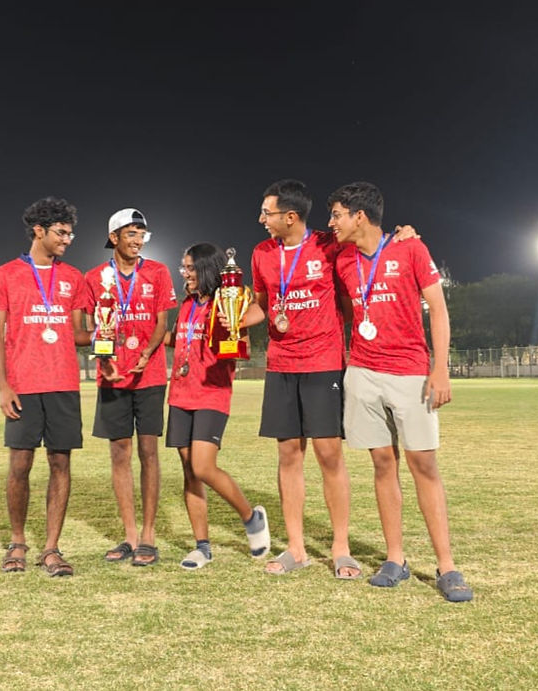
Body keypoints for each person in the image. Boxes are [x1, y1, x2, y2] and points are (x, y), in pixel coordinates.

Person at [328, 181, 472, 602]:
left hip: (410, 372)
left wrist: (440, 369)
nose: (331, 222)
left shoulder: (411, 249)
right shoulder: (342, 259)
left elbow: (439, 311)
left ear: (359, 216)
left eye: (337, 214)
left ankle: (446, 565)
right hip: (363, 372)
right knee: (382, 463)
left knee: (423, 464)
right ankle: (396, 558)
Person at [238, 179, 361, 578]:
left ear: (290, 216)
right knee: (288, 454)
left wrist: (404, 235)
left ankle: (340, 547)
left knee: (329, 453)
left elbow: (348, 297)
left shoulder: (328, 245)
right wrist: (234, 323)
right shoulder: (262, 253)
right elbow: (262, 307)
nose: (261, 219)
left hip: (323, 362)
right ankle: (296, 548)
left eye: (267, 212)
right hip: (281, 364)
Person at [0, 196, 92, 577]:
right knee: (20, 465)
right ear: (39, 231)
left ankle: (51, 548)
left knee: (60, 463)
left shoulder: (73, 278)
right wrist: (2, 385)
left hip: (63, 383)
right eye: (61, 233)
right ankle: (17, 542)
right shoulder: (6, 275)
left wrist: (104, 334)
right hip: (24, 384)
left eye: (70, 233)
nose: (68, 239)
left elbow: (78, 334)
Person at [165, 243, 270, 569]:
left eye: (191, 269)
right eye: (184, 268)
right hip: (180, 393)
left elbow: (258, 312)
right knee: (188, 469)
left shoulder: (225, 302)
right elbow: (180, 340)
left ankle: (251, 518)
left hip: (212, 392)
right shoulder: (187, 305)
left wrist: (236, 317)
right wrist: (146, 337)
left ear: (208, 269)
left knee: (203, 467)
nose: (185, 274)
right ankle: (202, 546)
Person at [85, 208, 176, 567]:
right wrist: (102, 355)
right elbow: (94, 326)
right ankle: (130, 535)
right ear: (113, 238)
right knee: (119, 455)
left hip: (150, 375)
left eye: (142, 234)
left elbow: (161, 320)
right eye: (131, 234)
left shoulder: (157, 272)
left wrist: (149, 353)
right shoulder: (95, 278)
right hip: (112, 376)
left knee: (149, 453)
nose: (138, 241)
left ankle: (149, 536)